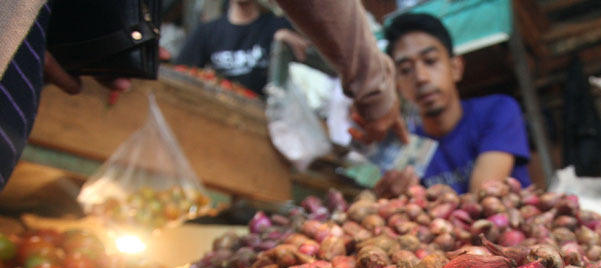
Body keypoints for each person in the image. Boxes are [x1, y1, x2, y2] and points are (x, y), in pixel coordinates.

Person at [0, 0, 405, 191]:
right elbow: (183, 71)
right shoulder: (208, 33)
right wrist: (375, 86)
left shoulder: (274, 26)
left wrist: (43, 28)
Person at [376, 12, 532, 196]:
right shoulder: (408, 150)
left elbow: (483, 196)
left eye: (430, 61)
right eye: (405, 70)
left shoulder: (498, 110)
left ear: (455, 68)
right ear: (398, 86)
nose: (420, 77)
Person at [175, 0, 308, 96]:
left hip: (267, 117)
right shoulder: (207, 32)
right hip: (222, 114)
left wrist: (284, 41)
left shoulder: (278, 26)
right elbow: (180, 74)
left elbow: (308, 68)